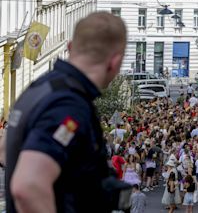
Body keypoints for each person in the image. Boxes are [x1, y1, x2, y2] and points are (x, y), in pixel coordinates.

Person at [5, 12, 127, 213]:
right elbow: (28, 186)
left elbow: (5, 150)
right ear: (115, 62)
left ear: (70, 47)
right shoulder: (69, 105)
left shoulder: (40, 88)